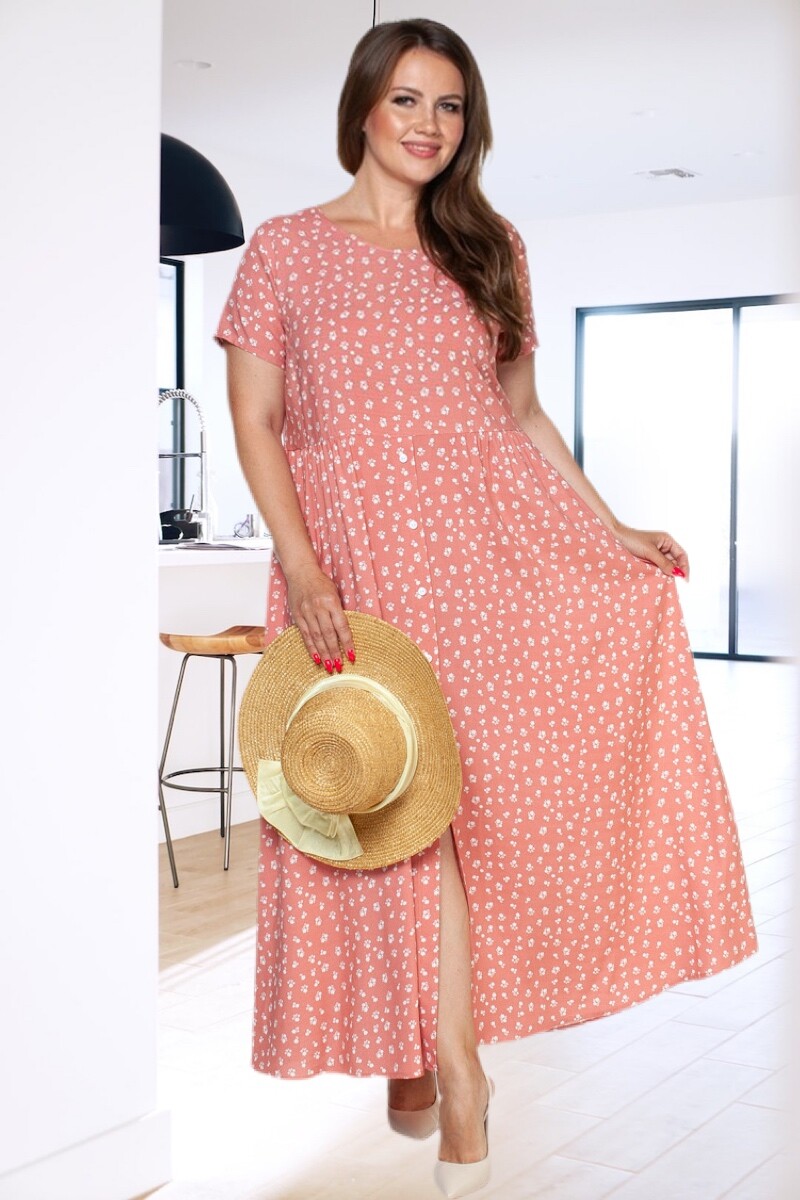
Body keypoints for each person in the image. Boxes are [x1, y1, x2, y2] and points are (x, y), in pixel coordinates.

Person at [216, 18, 758, 1197]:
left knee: (463, 808)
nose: (427, 125)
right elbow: (255, 421)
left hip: (485, 564)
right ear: (362, 109)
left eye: (449, 105)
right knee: (384, 809)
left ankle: (452, 1072)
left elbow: (517, 417)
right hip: (354, 572)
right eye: (406, 99)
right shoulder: (287, 250)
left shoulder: (487, 245)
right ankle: (431, 1060)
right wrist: (302, 570)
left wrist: (606, 528)